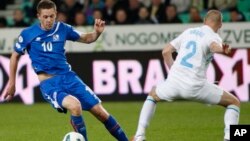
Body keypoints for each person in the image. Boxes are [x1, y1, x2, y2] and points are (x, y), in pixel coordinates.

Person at [2, 0, 128, 141]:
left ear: (56, 14)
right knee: (75, 106)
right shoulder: (28, 34)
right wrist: (12, 82)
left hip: (69, 78)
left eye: (51, 16)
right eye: (45, 16)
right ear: (38, 16)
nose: (49, 20)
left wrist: (96, 33)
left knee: (101, 112)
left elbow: (87, 39)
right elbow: (14, 56)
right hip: (50, 84)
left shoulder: (63, 28)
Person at [132, 10, 240, 141]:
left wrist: (173, 73)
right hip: (196, 86)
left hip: (174, 83)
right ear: (220, 25)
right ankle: (230, 137)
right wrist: (222, 49)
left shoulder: (189, 32)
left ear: (204, 20)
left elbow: (166, 51)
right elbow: (213, 46)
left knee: (152, 95)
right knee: (234, 102)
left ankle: (139, 135)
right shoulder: (213, 36)